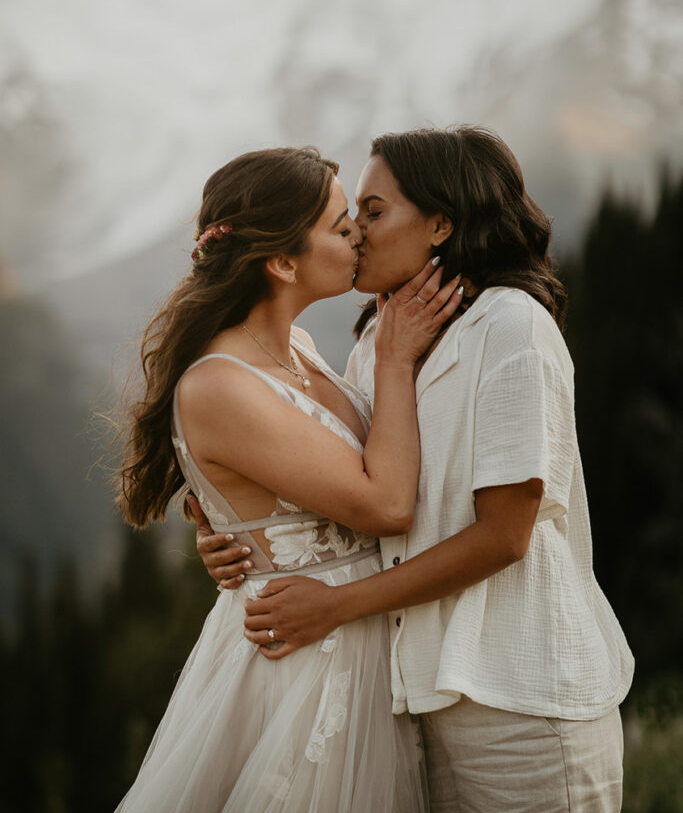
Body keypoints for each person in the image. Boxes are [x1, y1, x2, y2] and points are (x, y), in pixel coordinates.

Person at [198, 127, 635, 813]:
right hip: (416, 697)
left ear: (439, 223)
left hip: (522, 696)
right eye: (351, 219)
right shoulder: (378, 341)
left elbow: (503, 536)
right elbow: (351, 487)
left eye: (373, 213)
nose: (357, 235)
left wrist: (334, 606)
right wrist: (236, 534)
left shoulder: (510, 326)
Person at [114, 145, 464, 813]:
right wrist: (393, 361)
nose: (358, 233)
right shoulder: (218, 384)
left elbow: (291, 487)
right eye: (340, 227)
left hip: (362, 642)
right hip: (302, 662)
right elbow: (385, 503)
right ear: (279, 262)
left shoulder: (299, 347)